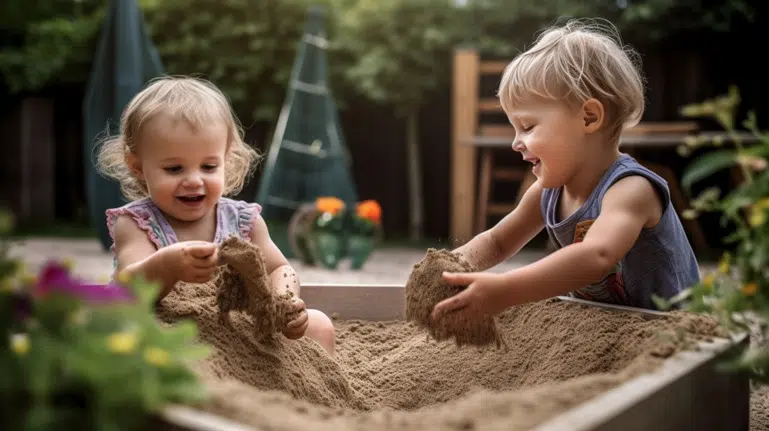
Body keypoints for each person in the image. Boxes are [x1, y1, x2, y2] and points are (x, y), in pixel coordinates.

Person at [432, 18, 700, 324]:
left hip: (672, 332)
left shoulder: (630, 189)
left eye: (528, 127)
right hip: (603, 329)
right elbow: (497, 242)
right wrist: (450, 269)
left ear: (588, 118)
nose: (516, 143)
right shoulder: (548, 193)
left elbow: (596, 256)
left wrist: (506, 289)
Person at [97, 75, 336, 356]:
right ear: (137, 167)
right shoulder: (137, 224)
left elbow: (278, 269)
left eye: (208, 167)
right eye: (174, 169)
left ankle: (309, 396)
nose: (194, 180)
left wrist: (285, 301)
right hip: (170, 329)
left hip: (235, 328)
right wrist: (168, 266)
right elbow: (129, 290)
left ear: (226, 158)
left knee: (320, 325)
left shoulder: (244, 221)